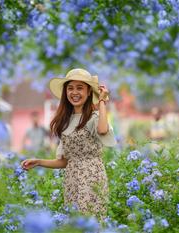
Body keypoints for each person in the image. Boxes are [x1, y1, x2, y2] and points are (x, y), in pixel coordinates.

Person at [21, 68, 116, 220]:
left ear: (89, 91)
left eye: (80, 88)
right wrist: (38, 161)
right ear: (65, 92)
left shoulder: (95, 117)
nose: (74, 92)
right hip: (71, 180)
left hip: (92, 178)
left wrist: (102, 101)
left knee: (89, 222)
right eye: (70, 88)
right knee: (74, 223)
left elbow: (103, 130)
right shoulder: (65, 122)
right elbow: (65, 161)